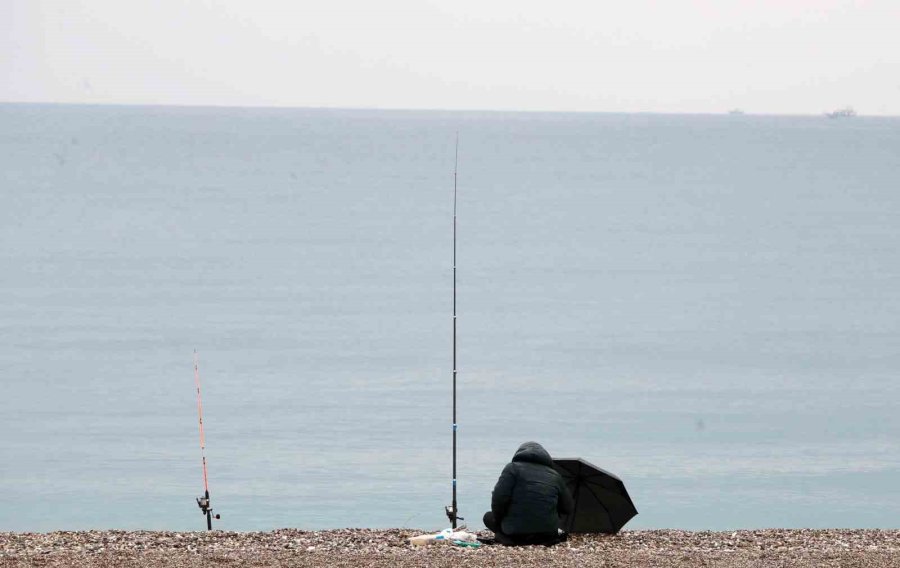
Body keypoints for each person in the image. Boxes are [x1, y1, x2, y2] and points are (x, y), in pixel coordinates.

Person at [482, 441, 574, 546]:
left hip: (516, 534)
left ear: (519, 454)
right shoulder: (555, 475)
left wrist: (499, 519)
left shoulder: (512, 468)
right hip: (548, 535)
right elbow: (568, 508)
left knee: (488, 517)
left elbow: (499, 499)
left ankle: (506, 537)